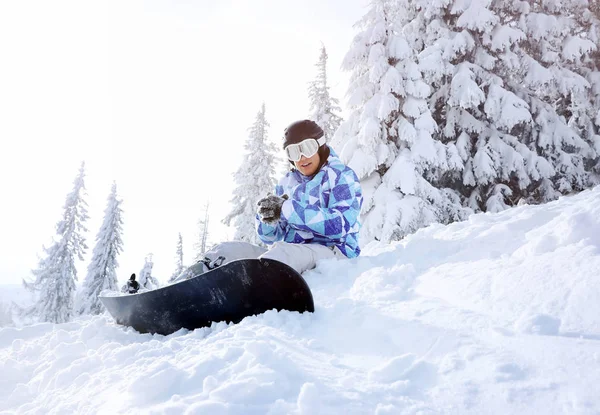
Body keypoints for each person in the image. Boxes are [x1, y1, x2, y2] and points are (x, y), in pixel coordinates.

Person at [199, 119, 363, 275]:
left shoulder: (341, 176)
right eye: (293, 152)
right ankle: (184, 288)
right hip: (290, 253)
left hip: (333, 253)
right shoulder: (287, 183)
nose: (301, 158)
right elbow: (270, 238)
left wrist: (286, 209)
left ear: (320, 146)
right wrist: (268, 219)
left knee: (281, 254)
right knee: (227, 252)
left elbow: (339, 225)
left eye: (307, 148)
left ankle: (249, 294)